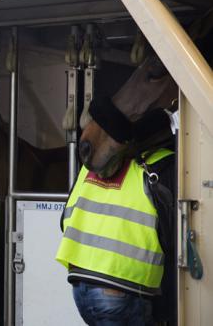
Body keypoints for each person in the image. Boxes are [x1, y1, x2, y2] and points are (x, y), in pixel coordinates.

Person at [56, 101, 176, 325]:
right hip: (122, 290)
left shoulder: (90, 168)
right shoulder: (161, 166)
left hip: (81, 287)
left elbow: (64, 220)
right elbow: (173, 239)